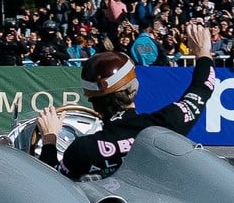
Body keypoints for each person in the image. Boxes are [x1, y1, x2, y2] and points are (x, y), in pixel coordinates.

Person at [36, 21, 215, 180]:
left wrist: (50, 139)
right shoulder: (167, 123)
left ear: (91, 98)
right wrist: (202, 51)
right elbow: (203, 86)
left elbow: (52, 186)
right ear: (134, 87)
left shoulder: (82, 150)